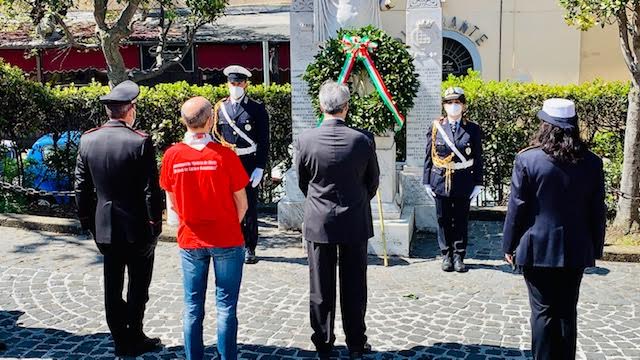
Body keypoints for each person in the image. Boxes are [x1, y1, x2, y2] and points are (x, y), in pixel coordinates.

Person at [503, 98, 606, 360]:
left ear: (545, 126)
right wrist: (596, 246)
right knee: (567, 311)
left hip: (537, 247)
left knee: (542, 313)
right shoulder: (592, 162)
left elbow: (517, 207)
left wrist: (509, 245)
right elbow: (597, 209)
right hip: (575, 248)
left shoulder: (528, 160)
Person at [74, 80, 163, 357]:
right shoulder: (140, 141)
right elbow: (151, 190)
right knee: (138, 285)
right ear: (130, 110)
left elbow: (81, 186)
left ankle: (121, 339)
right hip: (137, 227)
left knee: (112, 285)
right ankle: (133, 334)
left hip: (105, 227)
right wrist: (155, 226)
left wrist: (87, 220)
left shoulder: (88, 139)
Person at [296, 80, 380, 360]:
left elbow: (303, 182)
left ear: (322, 106)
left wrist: (321, 201)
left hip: (320, 221)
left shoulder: (306, 139)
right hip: (354, 219)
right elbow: (372, 182)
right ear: (346, 107)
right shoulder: (362, 139)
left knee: (320, 285)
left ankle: (323, 342)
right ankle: (356, 342)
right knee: (355, 284)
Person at [160, 97, 249, 360]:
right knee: (226, 306)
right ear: (210, 121)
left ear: (183, 122)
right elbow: (241, 203)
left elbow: (173, 202)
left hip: (191, 238)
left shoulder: (172, 155)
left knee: (192, 306)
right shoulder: (225, 155)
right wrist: (230, 221)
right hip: (226, 237)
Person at [213, 65, 269, 265]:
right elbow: (215, 136)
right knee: (227, 205)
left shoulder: (256, 108)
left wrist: (260, 167)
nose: (235, 86)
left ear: (246, 84)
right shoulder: (220, 108)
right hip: (227, 163)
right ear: (227, 84)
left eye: (239, 83)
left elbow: (264, 140)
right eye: (232, 83)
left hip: (248, 162)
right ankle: (231, 242)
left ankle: (249, 246)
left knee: (249, 207)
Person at [423, 87, 483, 273]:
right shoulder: (436, 127)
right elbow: (429, 156)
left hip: (463, 180)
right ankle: (446, 255)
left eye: (457, 102)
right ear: (444, 106)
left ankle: (459, 256)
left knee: (461, 219)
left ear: (463, 105)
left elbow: (479, 157)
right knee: (443, 219)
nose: (453, 106)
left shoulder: (472, 129)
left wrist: (479, 183)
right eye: (449, 103)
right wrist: (426, 181)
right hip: (440, 179)